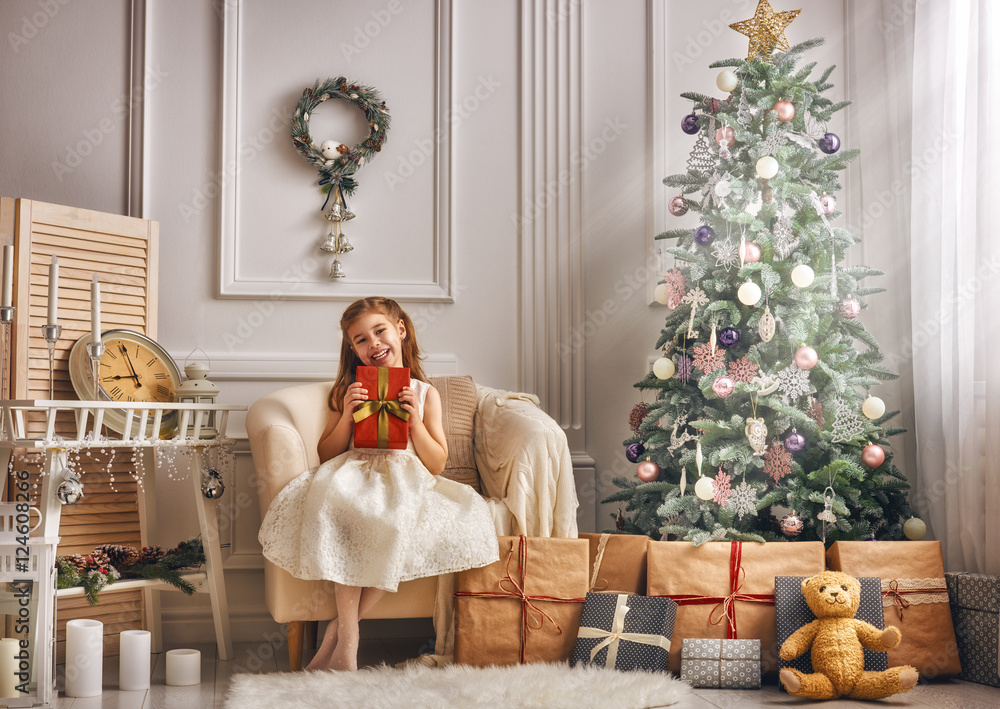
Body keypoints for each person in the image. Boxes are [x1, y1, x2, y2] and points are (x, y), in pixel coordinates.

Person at [258, 297, 499, 671]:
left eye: (379, 331)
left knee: (398, 526)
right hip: (354, 473)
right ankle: (349, 641)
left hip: (406, 480)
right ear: (352, 350)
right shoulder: (349, 389)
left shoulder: (424, 393)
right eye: (360, 340)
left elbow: (436, 462)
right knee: (342, 511)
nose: (373, 344)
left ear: (400, 330)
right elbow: (327, 452)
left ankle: (340, 633)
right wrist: (347, 418)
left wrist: (415, 422)